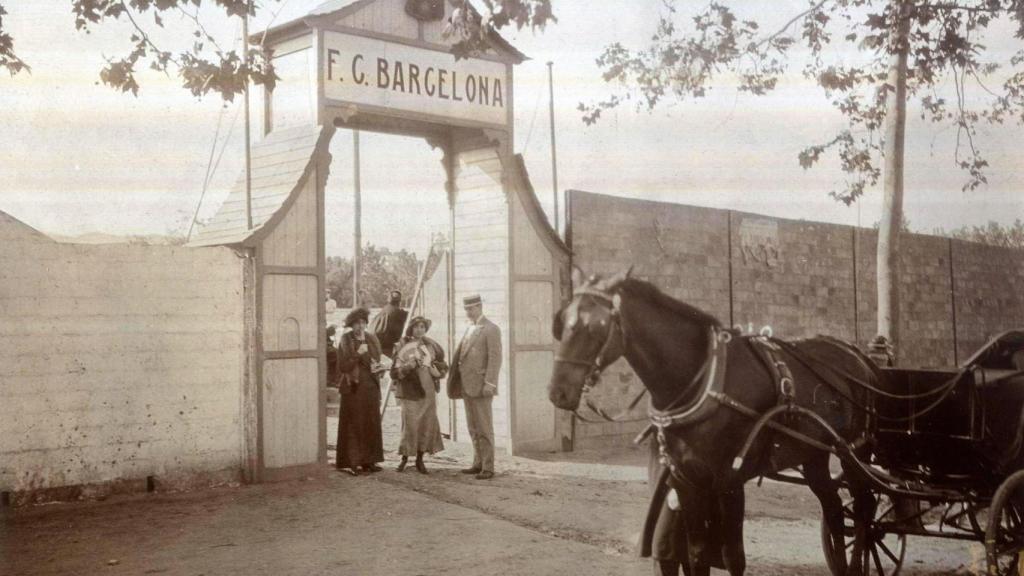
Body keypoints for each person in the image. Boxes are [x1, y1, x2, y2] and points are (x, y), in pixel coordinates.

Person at [447, 294, 501, 480]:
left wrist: (490, 383)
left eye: (471, 309)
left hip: (481, 386)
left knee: (484, 427)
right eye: (466, 309)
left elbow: (495, 358)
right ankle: (477, 463)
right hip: (467, 386)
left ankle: (488, 466)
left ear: (479, 307)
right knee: (473, 427)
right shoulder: (470, 327)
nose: (468, 312)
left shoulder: (491, 329)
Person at [390, 316, 448, 474]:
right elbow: (394, 373)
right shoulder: (402, 344)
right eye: (416, 326)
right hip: (410, 391)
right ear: (411, 328)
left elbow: (443, 366)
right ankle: (404, 458)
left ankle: (420, 459)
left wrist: (437, 370)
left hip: (428, 389)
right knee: (410, 425)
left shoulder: (432, 345)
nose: (419, 329)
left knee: (426, 424)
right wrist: (409, 365)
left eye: (422, 327)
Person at [335, 307, 385, 475]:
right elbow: (343, 366)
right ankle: (352, 462)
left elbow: (377, 359)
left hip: (370, 386)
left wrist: (379, 367)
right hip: (353, 388)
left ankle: (369, 461)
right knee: (354, 424)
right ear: (351, 325)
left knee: (371, 423)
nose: (360, 326)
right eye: (357, 323)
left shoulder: (371, 338)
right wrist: (357, 354)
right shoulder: (345, 339)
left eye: (363, 323)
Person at [370, 289, 408, 358]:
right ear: (399, 302)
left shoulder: (383, 310)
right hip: (386, 347)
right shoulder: (399, 313)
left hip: (375, 344)